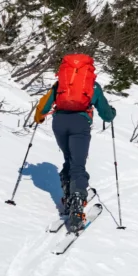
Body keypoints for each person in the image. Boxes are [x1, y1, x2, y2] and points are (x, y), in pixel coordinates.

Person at [34, 53, 116, 231]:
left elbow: (44, 106)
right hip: (80, 124)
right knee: (78, 164)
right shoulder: (92, 86)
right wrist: (112, 113)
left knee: (69, 158)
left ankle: (68, 191)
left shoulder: (62, 84)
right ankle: (77, 204)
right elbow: (107, 115)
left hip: (60, 123)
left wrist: (38, 116)